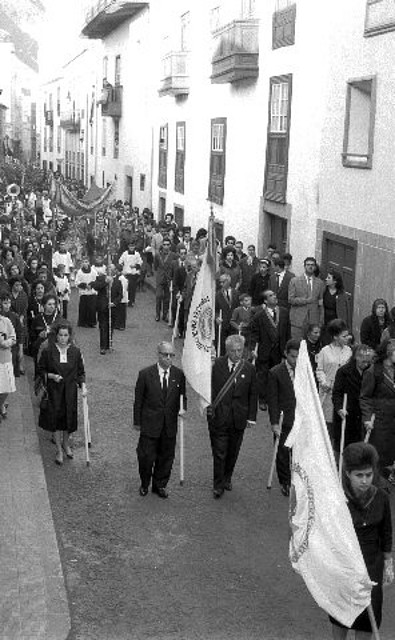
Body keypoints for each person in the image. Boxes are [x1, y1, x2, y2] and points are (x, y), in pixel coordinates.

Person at [330, 442, 393, 639]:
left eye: (369, 475)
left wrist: (389, 563)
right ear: (348, 473)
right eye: (359, 475)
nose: (365, 481)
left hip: (371, 565)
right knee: (341, 615)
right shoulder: (337, 499)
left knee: (368, 618)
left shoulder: (381, 497)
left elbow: (386, 532)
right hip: (344, 565)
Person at [133, 341, 186, 498]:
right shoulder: (145, 374)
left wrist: (183, 409)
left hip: (169, 425)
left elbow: (182, 397)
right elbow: (138, 401)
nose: (168, 358)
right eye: (165, 355)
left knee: (166, 457)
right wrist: (137, 422)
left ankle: (160, 485)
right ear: (159, 354)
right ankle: (144, 483)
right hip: (150, 424)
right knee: (146, 457)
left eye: (171, 355)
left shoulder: (178, 375)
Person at [207, 334, 257, 498]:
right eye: (233, 351)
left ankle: (227, 477)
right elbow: (209, 388)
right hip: (219, 417)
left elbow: (252, 394)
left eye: (240, 350)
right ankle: (218, 484)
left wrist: (251, 417)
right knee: (219, 452)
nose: (237, 354)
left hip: (238, 417)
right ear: (227, 351)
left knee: (233, 451)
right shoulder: (216, 365)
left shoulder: (249, 368)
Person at [36, 322, 87, 465]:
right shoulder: (48, 351)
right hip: (54, 391)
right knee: (56, 420)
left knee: (68, 419)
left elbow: (80, 372)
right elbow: (40, 370)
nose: (63, 338)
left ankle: (66, 444)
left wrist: (83, 385)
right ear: (56, 336)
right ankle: (58, 449)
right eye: (60, 335)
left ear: (69, 336)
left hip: (70, 391)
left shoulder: (76, 352)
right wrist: (52, 376)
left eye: (66, 335)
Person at [267, 339, 300, 497]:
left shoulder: (305, 371)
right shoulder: (275, 372)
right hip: (283, 419)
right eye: (293, 357)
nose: (295, 360)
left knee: (298, 451)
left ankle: (297, 480)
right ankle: (285, 482)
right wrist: (274, 423)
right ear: (286, 354)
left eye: (298, 357)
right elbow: (272, 400)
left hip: (300, 418)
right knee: (282, 452)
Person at [360, 339, 395, 482]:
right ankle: (375, 485)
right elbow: (365, 397)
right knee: (378, 455)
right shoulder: (373, 371)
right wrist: (367, 418)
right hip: (379, 421)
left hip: (393, 420)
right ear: (388, 353)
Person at [250, 290, 290, 410]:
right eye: (271, 296)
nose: (274, 297)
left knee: (277, 374)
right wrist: (253, 349)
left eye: (274, 295)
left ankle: (275, 398)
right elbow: (254, 334)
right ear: (265, 301)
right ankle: (262, 399)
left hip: (279, 349)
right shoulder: (259, 316)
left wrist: (287, 348)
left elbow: (287, 331)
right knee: (263, 375)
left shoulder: (284, 312)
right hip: (264, 350)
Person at [332, 344, 374, 456]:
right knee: (344, 450)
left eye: (368, 362)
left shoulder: (370, 372)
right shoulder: (343, 372)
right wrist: (339, 408)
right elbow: (336, 393)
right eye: (363, 361)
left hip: (361, 416)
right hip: (347, 415)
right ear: (356, 357)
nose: (365, 364)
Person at [316, 319, 352, 443]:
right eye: (344, 336)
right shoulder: (324, 351)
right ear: (335, 337)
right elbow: (319, 370)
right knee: (327, 423)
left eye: (347, 335)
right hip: (328, 392)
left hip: (343, 392)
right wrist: (324, 382)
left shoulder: (349, 351)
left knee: (340, 422)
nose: (348, 338)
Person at [288, 257, 325, 339]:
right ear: (304, 266)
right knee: (297, 344)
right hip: (298, 319)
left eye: (312, 265)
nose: (310, 267)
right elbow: (290, 299)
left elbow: (321, 303)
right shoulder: (295, 281)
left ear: (315, 267)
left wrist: (321, 320)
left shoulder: (320, 283)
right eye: (308, 265)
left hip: (313, 319)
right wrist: (305, 300)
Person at [91, 264, 122, 354]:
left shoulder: (117, 281)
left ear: (115, 271)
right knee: (103, 327)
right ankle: (103, 346)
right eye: (109, 268)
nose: (111, 270)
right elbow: (95, 287)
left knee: (110, 327)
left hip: (112, 308)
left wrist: (114, 303)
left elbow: (120, 295)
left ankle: (109, 344)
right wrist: (105, 282)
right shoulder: (101, 278)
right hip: (102, 307)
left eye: (112, 269)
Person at [322, 269, 352, 344]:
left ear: (335, 281)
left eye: (329, 278)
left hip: (336, 321)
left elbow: (346, 311)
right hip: (324, 320)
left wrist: (346, 327)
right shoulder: (323, 290)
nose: (326, 279)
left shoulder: (342, 294)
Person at [29, 293, 59, 366]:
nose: (52, 306)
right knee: (40, 371)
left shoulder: (59, 319)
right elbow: (32, 335)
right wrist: (39, 337)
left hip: (55, 351)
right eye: (49, 304)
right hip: (39, 350)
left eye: (54, 304)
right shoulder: (37, 319)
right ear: (44, 305)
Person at [215, 273, 239, 357]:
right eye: (220, 282)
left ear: (228, 281)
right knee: (222, 345)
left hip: (233, 324)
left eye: (222, 282)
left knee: (233, 345)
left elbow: (238, 307)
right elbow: (215, 309)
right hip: (223, 323)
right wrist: (217, 317)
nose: (221, 284)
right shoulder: (217, 294)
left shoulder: (236, 293)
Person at [154, 238, 176, 322]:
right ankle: (157, 314)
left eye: (168, 244)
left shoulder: (173, 255)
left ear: (170, 246)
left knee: (167, 298)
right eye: (164, 244)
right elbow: (155, 266)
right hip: (160, 278)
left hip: (169, 279)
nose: (166, 246)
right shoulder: (158, 255)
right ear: (162, 245)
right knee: (158, 296)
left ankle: (165, 314)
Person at [0, 306, 16, 419]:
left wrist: (7, 343)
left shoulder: (6, 321)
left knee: (7, 388)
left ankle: (1, 403)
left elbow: (14, 338)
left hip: (5, 359)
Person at [118, 240, 142, 307]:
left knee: (132, 288)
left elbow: (140, 262)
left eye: (133, 246)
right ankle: (125, 300)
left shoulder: (137, 254)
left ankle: (131, 301)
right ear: (128, 246)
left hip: (133, 273)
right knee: (125, 287)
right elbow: (120, 261)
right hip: (126, 272)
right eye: (130, 246)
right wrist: (122, 265)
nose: (132, 247)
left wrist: (135, 266)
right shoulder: (125, 253)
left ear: (134, 247)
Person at [75, 257, 98, 328]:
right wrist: (85, 285)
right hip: (84, 293)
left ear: (89, 263)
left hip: (91, 292)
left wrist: (91, 285)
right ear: (82, 263)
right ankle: (83, 322)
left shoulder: (93, 271)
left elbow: (96, 280)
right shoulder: (79, 272)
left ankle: (92, 322)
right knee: (84, 308)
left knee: (92, 308)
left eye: (86, 262)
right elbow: (77, 282)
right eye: (83, 262)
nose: (85, 263)